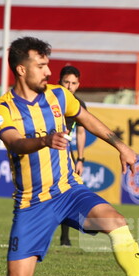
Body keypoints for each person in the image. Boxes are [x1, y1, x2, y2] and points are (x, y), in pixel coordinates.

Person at [0, 36, 139, 276]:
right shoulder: (3, 107)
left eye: (48, 65)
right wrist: (44, 140)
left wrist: (121, 146)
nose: (48, 72)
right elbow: (14, 142)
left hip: (69, 190)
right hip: (33, 202)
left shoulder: (59, 95)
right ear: (21, 70)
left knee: (116, 221)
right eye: (41, 66)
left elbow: (87, 118)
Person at [58, 65, 87, 247]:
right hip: (42, 149)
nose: (69, 86)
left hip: (64, 153)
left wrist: (80, 159)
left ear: (78, 84)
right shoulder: (49, 99)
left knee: (66, 192)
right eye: (66, 82)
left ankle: (64, 237)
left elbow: (81, 132)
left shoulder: (78, 105)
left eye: (73, 83)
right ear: (59, 82)